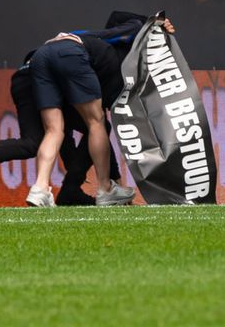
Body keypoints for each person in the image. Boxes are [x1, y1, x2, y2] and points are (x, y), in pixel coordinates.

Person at [20, 17, 167, 207]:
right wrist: (155, 22)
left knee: (54, 129)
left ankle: (39, 189)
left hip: (39, 56)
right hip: (70, 53)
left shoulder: (90, 41)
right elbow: (134, 25)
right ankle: (105, 188)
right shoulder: (119, 52)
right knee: (96, 122)